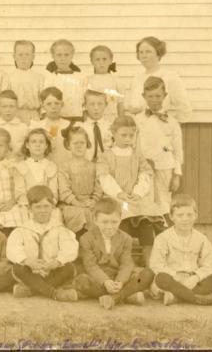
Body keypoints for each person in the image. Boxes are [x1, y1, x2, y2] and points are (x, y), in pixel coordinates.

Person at [97, 115, 163, 266]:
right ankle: (123, 262)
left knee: (146, 222)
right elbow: (105, 178)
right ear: (113, 133)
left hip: (135, 198)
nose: (127, 138)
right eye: (123, 135)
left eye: (131, 135)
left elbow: (145, 174)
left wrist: (138, 193)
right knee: (122, 220)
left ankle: (149, 263)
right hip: (115, 198)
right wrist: (119, 193)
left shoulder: (137, 155)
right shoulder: (106, 156)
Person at [150, 194, 212, 307]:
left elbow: (209, 265)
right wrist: (175, 276)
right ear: (171, 216)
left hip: (193, 281)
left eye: (189, 214)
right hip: (172, 280)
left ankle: (177, 297)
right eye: (180, 215)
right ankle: (200, 300)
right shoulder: (162, 238)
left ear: (195, 215)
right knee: (161, 278)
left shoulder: (201, 239)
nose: (185, 219)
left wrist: (195, 277)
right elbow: (156, 265)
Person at [74, 197, 155, 309]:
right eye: (105, 222)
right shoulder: (86, 238)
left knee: (147, 274)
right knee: (81, 280)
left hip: (118, 278)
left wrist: (120, 281)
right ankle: (125, 296)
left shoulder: (126, 238)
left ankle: (112, 297)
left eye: (114, 222)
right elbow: (90, 265)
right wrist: (106, 281)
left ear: (120, 219)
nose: (109, 227)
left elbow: (126, 264)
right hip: (98, 278)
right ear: (95, 220)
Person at [7, 185, 79, 301]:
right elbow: (12, 249)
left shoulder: (59, 228)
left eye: (46, 206)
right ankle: (54, 293)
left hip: (52, 270)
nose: (42, 211)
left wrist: (57, 262)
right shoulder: (22, 229)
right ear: (30, 209)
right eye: (38, 207)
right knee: (17, 268)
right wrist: (27, 261)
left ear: (53, 207)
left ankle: (30, 290)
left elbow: (70, 249)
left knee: (69, 268)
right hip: (31, 271)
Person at [134, 76, 184, 217]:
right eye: (150, 96)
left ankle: (164, 233)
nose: (154, 99)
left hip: (165, 167)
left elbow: (177, 150)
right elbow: (133, 145)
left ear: (165, 96)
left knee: (164, 201)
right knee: (144, 199)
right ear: (144, 96)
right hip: (143, 167)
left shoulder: (172, 122)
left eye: (158, 96)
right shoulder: (137, 120)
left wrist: (177, 175)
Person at [126, 36, 192, 123]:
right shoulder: (137, 78)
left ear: (158, 53)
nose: (143, 56)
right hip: (138, 130)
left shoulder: (170, 77)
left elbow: (185, 110)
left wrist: (169, 125)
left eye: (148, 51)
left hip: (160, 131)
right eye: (141, 52)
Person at [58, 126, 102, 237]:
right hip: (72, 205)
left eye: (82, 143)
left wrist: (94, 200)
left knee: (100, 214)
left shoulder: (93, 166)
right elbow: (64, 191)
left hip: (90, 204)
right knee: (79, 214)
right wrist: (78, 204)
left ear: (87, 144)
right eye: (75, 143)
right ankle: (79, 247)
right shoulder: (64, 166)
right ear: (68, 145)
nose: (79, 146)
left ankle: (93, 247)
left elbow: (98, 187)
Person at [43, 39, 84, 122]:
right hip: (56, 119)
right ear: (53, 56)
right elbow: (45, 99)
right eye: (59, 55)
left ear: (72, 55)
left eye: (66, 55)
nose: (63, 58)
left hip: (76, 117)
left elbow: (85, 99)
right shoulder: (50, 78)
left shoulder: (80, 77)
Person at [30, 86, 71, 166]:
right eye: (49, 104)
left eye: (56, 103)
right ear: (43, 105)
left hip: (64, 165)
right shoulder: (37, 126)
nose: (53, 107)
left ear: (62, 104)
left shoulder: (68, 125)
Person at [7, 40, 45, 124]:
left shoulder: (39, 78)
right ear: (14, 56)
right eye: (20, 54)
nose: (24, 57)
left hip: (34, 115)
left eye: (27, 54)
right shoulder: (9, 77)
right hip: (14, 116)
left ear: (33, 57)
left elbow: (44, 100)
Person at [83, 45, 124, 120]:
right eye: (97, 59)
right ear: (92, 61)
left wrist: (121, 119)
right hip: (93, 119)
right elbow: (83, 102)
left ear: (111, 60)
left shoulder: (115, 79)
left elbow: (120, 103)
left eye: (104, 59)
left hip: (111, 117)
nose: (101, 62)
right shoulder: (88, 80)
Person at [0, 90, 29, 161]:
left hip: (18, 161)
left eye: (11, 106)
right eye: (4, 107)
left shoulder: (23, 127)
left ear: (17, 108)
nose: (8, 110)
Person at [78, 89, 113, 162]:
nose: (96, 108)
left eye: (100, 104)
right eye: (92, 104)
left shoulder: (111, 127)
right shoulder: (81, 128)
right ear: (85, 106)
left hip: (107, 166)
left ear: (106, 105)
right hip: (87, 166)